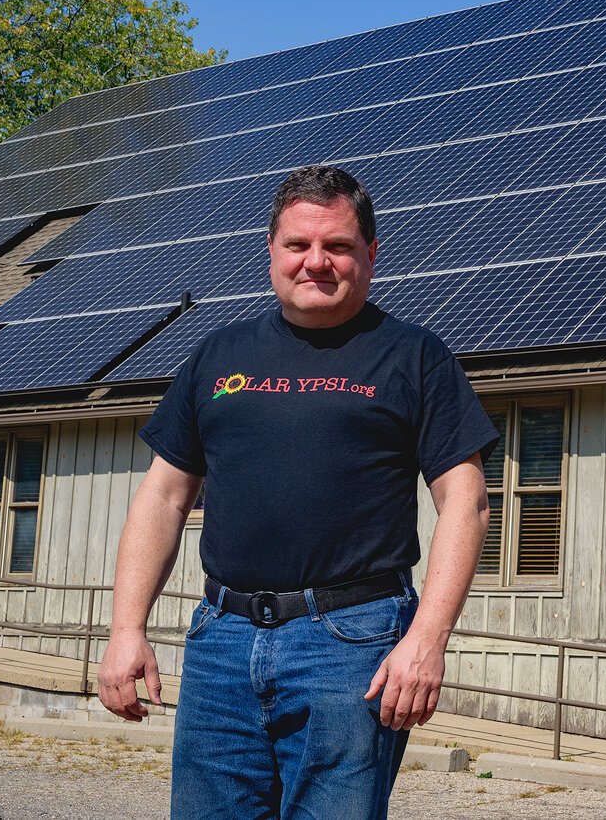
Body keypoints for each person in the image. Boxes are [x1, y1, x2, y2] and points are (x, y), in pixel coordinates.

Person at [97, 164, 497, 820]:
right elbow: (164, 497)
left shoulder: (414, 357)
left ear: (370, 253)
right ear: (271, 251)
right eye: (298, 245)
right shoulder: (217, 356)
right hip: (221, 641)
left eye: (337, 246)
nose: (317, 262)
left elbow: (467, 501)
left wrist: (427, 638)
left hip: (352, 644)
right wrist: (125, 630)